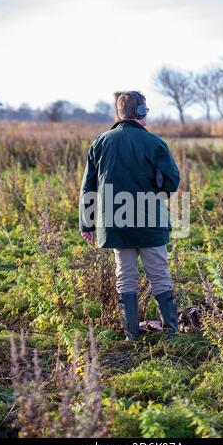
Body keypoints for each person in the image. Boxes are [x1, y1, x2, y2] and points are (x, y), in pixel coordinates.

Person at [79, 91, 180, 340]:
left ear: (119, 113)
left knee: (125, 276)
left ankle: (131, 335)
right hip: (150, 222)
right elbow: (171, 182)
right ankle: (172, 333)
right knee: (159, 275)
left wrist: (87, 224)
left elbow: (88, 186)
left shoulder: (100, 142)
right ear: (141, 112)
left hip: (115, 223)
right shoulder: (154, 143)